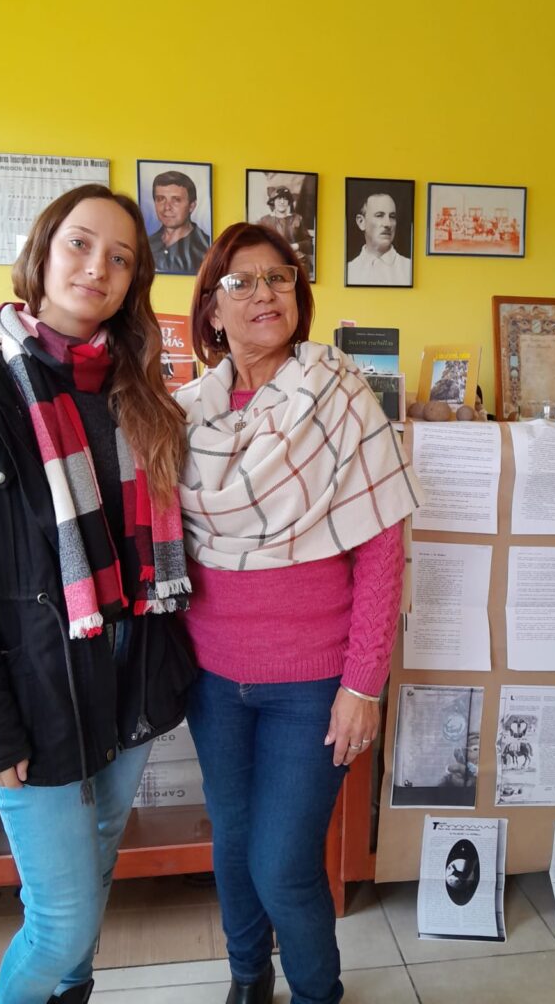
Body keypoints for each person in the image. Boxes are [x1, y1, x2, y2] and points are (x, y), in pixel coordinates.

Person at [0, 184, 196, 1004]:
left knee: (96, 875)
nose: (96, 268)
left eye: (120, 257)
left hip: (128, 678)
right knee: (63, 924)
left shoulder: (141, 393)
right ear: (42, 251)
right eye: (80, 244)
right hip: (36, 688)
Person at [176, 222, 422, 1004]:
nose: (265, 293)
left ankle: (318, 993)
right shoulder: (184, 415)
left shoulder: (341, 396)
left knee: (282, 863)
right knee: (233, 844)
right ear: (211, 310)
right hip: (212, 679)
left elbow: (381, 549)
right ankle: (248, 979)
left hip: (313, 684)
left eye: (279, 277)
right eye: (241, 282)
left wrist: (364, 684)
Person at [147, 170, 211, 274]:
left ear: (191, 206)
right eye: (161, 199)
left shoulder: (206, 248)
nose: (167, 207)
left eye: (176, 200)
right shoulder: (146, 245)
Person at [346, 191, 412, 286]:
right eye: (379, 215)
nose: (388, 224)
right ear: (361, 222)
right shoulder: (349, 271)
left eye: (392, 217)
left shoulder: (409, 268)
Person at [258, 185, 314, 277]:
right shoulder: (264, 221)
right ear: (273, 201)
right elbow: (257, 245)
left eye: (285, 199)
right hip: (271, 263)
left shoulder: (297, 219)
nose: (282, 202)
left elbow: (309, 243)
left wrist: (295, 246)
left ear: (289, 202)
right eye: (279, 198)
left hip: (295, 262)